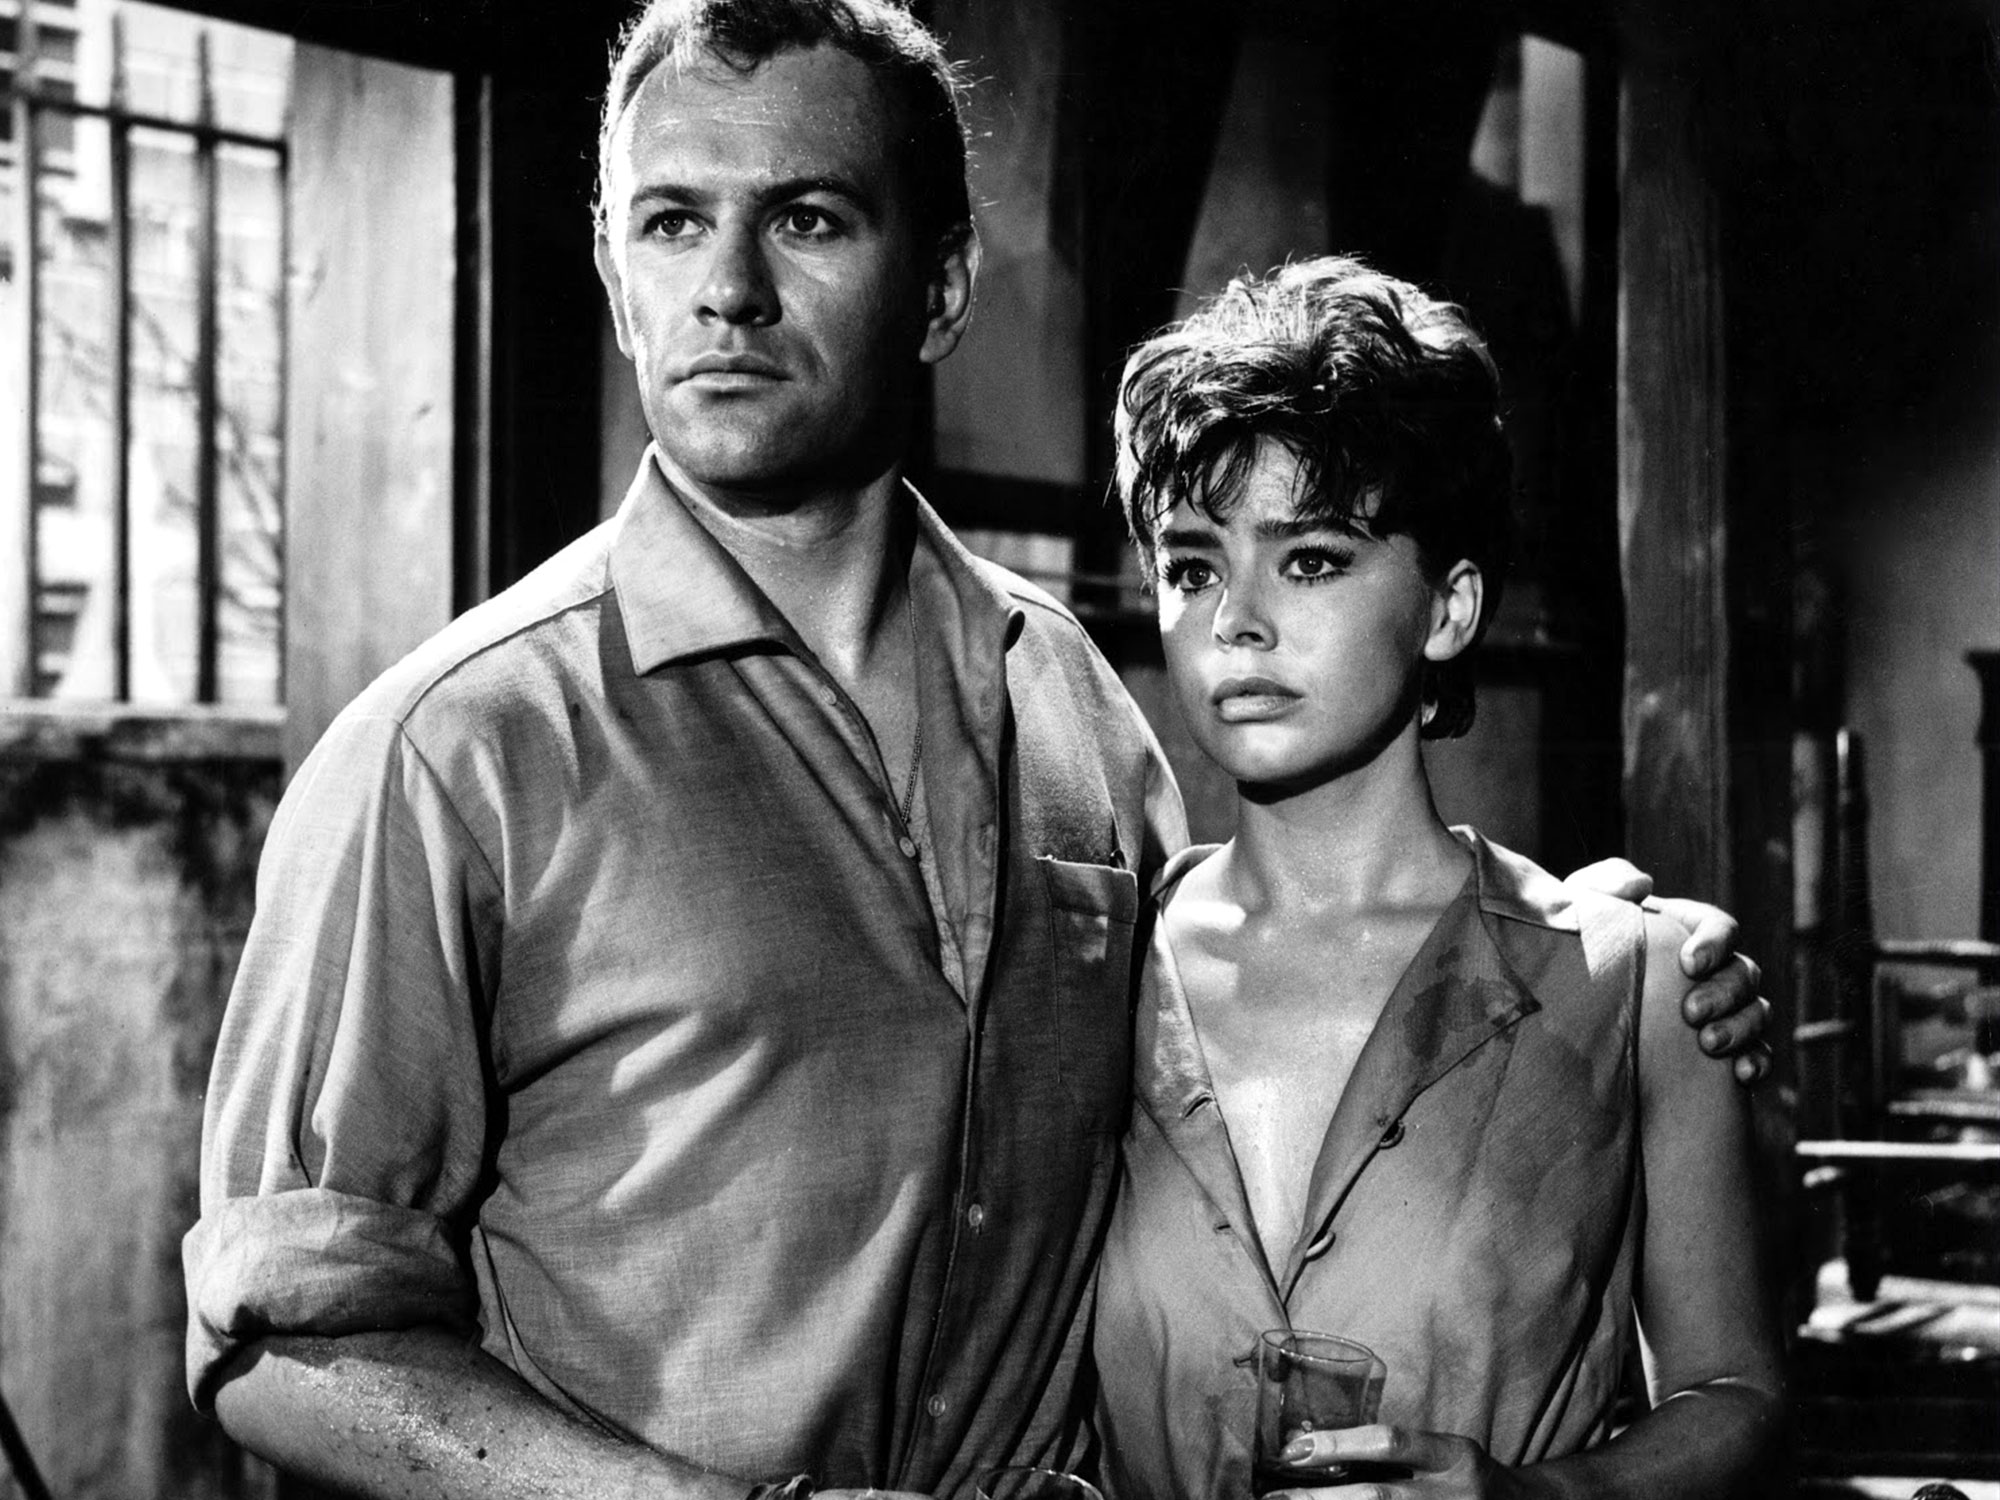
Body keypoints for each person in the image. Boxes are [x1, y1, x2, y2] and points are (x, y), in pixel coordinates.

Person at [181, 5, 1769, 1498]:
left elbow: (1265, 984)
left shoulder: (1071, 702)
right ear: (614, 278)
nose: (726, 289)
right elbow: (277, 1347)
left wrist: (1591, 952)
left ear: (941, 287)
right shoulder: (455, 753)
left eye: (807, 219)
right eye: (670, 223)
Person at [1092, 257, 1784, 1500]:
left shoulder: (1628, 988)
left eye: (1309, 560)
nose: (1235, 620)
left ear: (1449, 607)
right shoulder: (1096, 971)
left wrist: (1537, 1496)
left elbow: (1733, 1394)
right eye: (1191, 567)